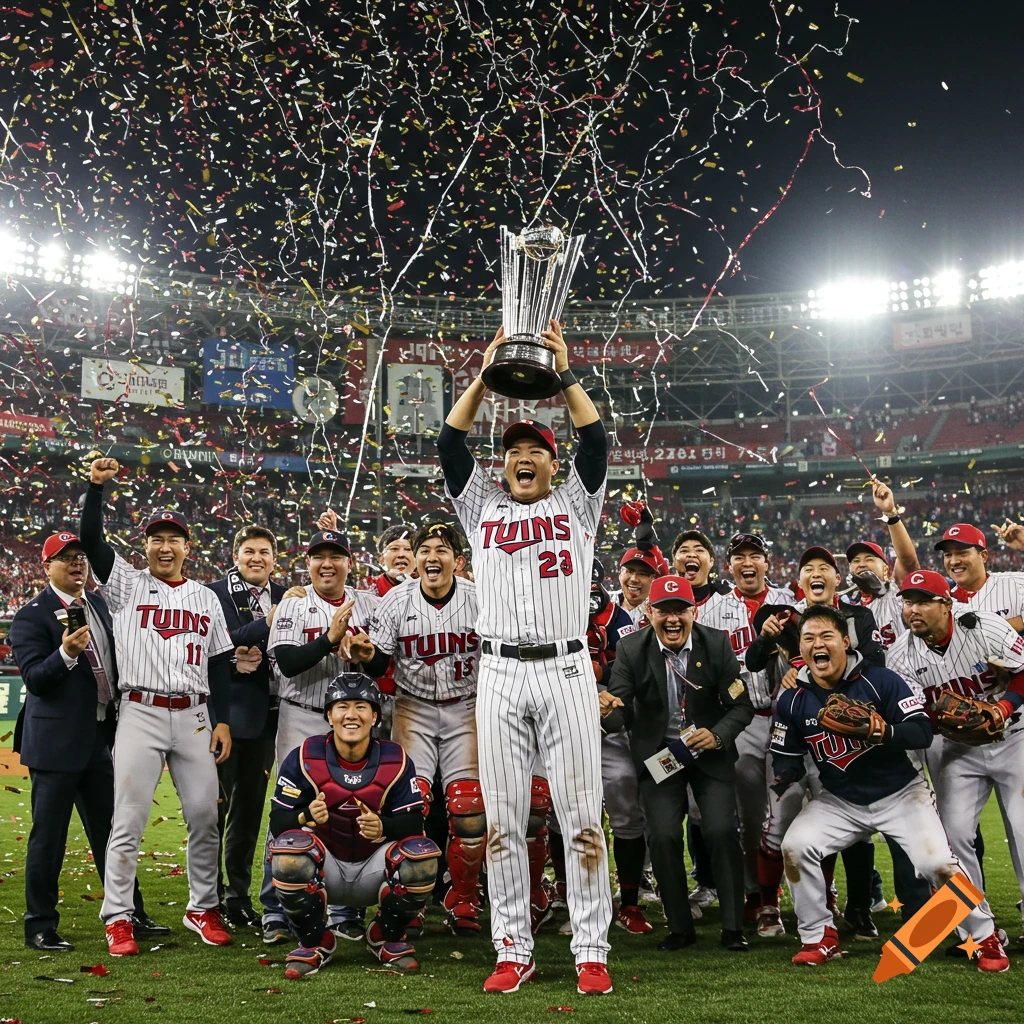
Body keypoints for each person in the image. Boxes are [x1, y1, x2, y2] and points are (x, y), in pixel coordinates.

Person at [437, 320, 614, 996]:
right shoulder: (481, 506)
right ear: (502, 463)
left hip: (567, 670)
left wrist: (565, 373)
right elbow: (450, 441)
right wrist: (485, 375)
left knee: (580, 815)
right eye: (512, 448)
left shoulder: (579, 503)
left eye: (535, 448)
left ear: (549, 461)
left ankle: (591, 949)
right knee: (505, 819)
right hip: (502, 672)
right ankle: (513, 948)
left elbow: (595, 439)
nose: (522, 455)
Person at [772, 604, 1009, 972]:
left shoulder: (879, 680)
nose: (817, 644)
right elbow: (786, 754)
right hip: (840, 800)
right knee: (796, 846)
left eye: (826, 636)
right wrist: (784, 774)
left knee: (937, 863)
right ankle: (819, 935)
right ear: (800, 650)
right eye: (808, 638)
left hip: (901, 794)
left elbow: (921, 731)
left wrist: (881, 731)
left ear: (846, 642)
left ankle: (983, 936)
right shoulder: (791, 698)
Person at [80, 459, 239, 957]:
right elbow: (90, 539)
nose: (164, 547)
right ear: (145, 547)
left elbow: (221, 664)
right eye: (156, 540)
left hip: (193, 715)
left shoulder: (206, 598)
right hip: (141, 711)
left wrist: (223, 720)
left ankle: (202, 906)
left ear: (187, 549)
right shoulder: (126, 585)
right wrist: (95, 489)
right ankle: (119, 917)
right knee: (127, 820)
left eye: (173, 540)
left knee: (203, 815)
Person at [9, 532, 165, 951]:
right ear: (46, 566)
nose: (77, 563)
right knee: (49, 837)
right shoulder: (31, 616)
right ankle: (39, 925)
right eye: (66, 558)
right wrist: (65, 655)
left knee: (111, 834)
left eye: (80, 556)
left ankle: (129, 913)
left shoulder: (98, 605)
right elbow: (35, 681)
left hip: (100, 737)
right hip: (57, 745)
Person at [600, 576, 754, 952]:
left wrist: (717, 734)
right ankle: (679, 927)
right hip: (661, 757)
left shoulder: (716, 644)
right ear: (649, 612)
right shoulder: (631, 648)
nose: (672, 619)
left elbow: (741, 706)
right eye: (663, 610)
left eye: (680, 610)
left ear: (693, 611)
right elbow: (619, 713)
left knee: (720, 830)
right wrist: (607, 710)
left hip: (710, 753)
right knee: (664, 836)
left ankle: (734, 928)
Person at [352, 522, 487, 936]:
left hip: (467, 707)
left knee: (469, 811)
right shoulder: (396, 600)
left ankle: (462, 897)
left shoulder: (478, 598)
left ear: (458, 561)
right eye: (424, 549)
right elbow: (380, 664)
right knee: (412, 808)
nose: (432, 556)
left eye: (442, 549)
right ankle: (409, 897)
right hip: (413, 707)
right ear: (414, 559)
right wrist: (366, 655)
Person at [267, 673, 439, 979]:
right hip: (325, 868)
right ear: (329, 715)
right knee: (288, 853)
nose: (351, 715)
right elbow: (278, 821)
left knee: (421, 858)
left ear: (375, 716)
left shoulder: (395, 759)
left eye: (361, 706)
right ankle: (315, 940)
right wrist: (306, 816)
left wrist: (383, 826)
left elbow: (414, 822)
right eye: (342, 706)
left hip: (374, 869)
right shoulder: (304, 757)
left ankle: (386, 935)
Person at [887, 569, 1024, 946]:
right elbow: (913, 715)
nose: (912, 609)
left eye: (922, 601)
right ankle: (978, 932)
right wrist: (940, 719)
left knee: (1023, 828)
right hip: (953, 749)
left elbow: (1023, 670)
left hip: (1013, 737)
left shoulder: (984, 626)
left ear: (946, 604)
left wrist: (1004, 707)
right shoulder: (900, 654)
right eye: (907, 602)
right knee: (956, 837)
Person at [267, 528, 379, 942]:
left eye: (336, 556)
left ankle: (344, 910)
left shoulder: (368, 602)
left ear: (350, 563)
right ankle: (276, 908)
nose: (326, 563)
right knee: (289, 808)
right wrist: (330, 639)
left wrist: (370, 653)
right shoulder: (292, 606)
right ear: (307, 563)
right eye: (318, 556)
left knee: (352, 806)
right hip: (302, 714)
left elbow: (384, 663)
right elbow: (288, 662)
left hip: (352, 720)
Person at [548, 557, 649, 935]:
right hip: (559, 715)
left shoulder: (618, 618)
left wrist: (603, 678)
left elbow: (629, 671)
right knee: (563, 809)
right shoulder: (548, 610)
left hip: (609, 719)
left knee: (624, 801)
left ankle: (630, 900)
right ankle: (564, 892)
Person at [699, 532, 793, 922]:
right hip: (746, 721)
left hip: (791, 718)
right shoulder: (712, 611)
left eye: (755, 555)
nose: (747, 563)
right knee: (751, 815)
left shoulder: (792, 602)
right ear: (729, 566)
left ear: (767, 563)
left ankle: (821, 893)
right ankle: (756, 895)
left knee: (793, 811)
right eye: (740, 557)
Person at [206, 525, 287, 929]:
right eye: (249, 551)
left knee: (249, 813)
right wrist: (264, 623)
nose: (257, 558)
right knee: (213, 811)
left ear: (275, 558)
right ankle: (208, 898)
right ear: (235, 555)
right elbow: (215, 643)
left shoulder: (288, 591)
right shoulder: (213, 594)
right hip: (226, 718)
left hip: (270, 719)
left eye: (265, 552)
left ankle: (237, 898)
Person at [842, 479, 920, 647]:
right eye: (855, 561)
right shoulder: (845, 609)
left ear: (886, 569)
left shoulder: (896, 592)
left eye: (869, 559)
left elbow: (908, 559)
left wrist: (891, 514)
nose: (861, 563)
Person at [933, 523, 1024, 629]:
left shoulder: (1017, 584)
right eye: (948, 555)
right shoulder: (942, 604)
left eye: (962, 553)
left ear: (983, 556)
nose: (954, 562)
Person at [671, 528, 731, 608]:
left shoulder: (729, 599)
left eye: (699, 550)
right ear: (674, 561)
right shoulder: (658, 601)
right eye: (684, 551)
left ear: (711, 561)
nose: (692, 554)